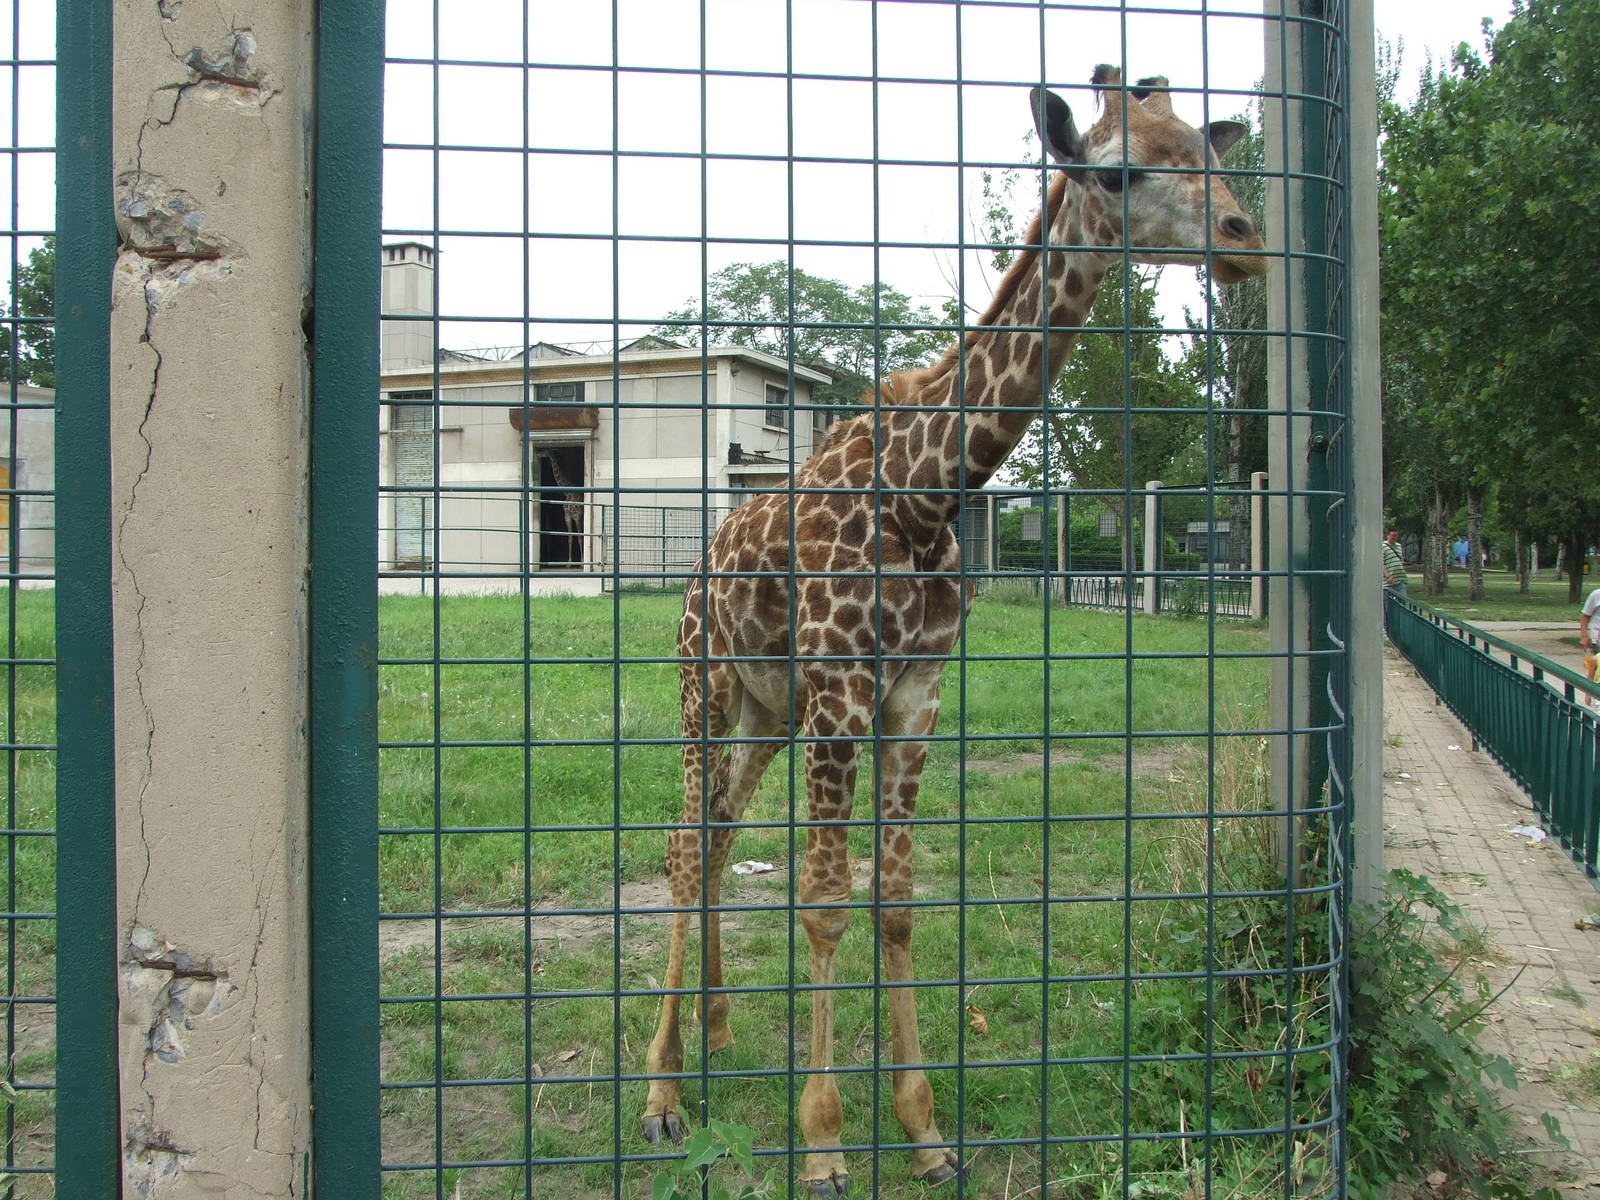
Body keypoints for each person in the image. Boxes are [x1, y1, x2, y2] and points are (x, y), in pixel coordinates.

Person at [1382, 530, 1407, 598]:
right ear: (1388, 536)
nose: (1394, 537)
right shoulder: (1383, 546)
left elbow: (1400, 560)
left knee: (1402, 601)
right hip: (1388, 582)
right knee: (1388, 603)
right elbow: (1381, 562)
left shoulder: (1399, 546)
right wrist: (1387, 575)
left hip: (1400, 580)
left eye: (1396, 535)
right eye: (1392, 535)